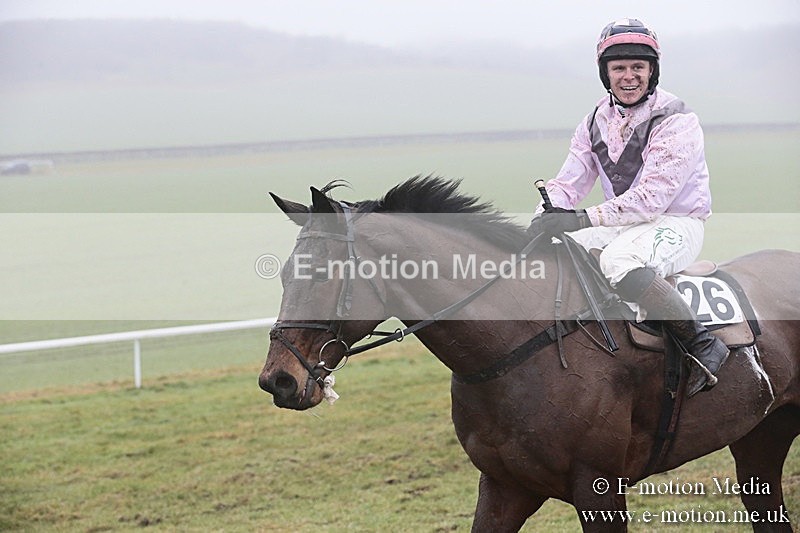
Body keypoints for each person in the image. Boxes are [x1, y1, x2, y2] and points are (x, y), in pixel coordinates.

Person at [529, 18, 728, 396]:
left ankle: (702, 344)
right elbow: (568, 183)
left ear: (652, 70)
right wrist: (541, 221)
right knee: (558, 248)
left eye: (638, 67)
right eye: (619, 68)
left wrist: (580, 218)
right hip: (623, 223)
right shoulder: (593, 121)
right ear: (605, 73)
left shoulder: (677, 119)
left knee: (620, 262)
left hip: (677, 222)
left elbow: (652, 199)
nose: (629, 76)